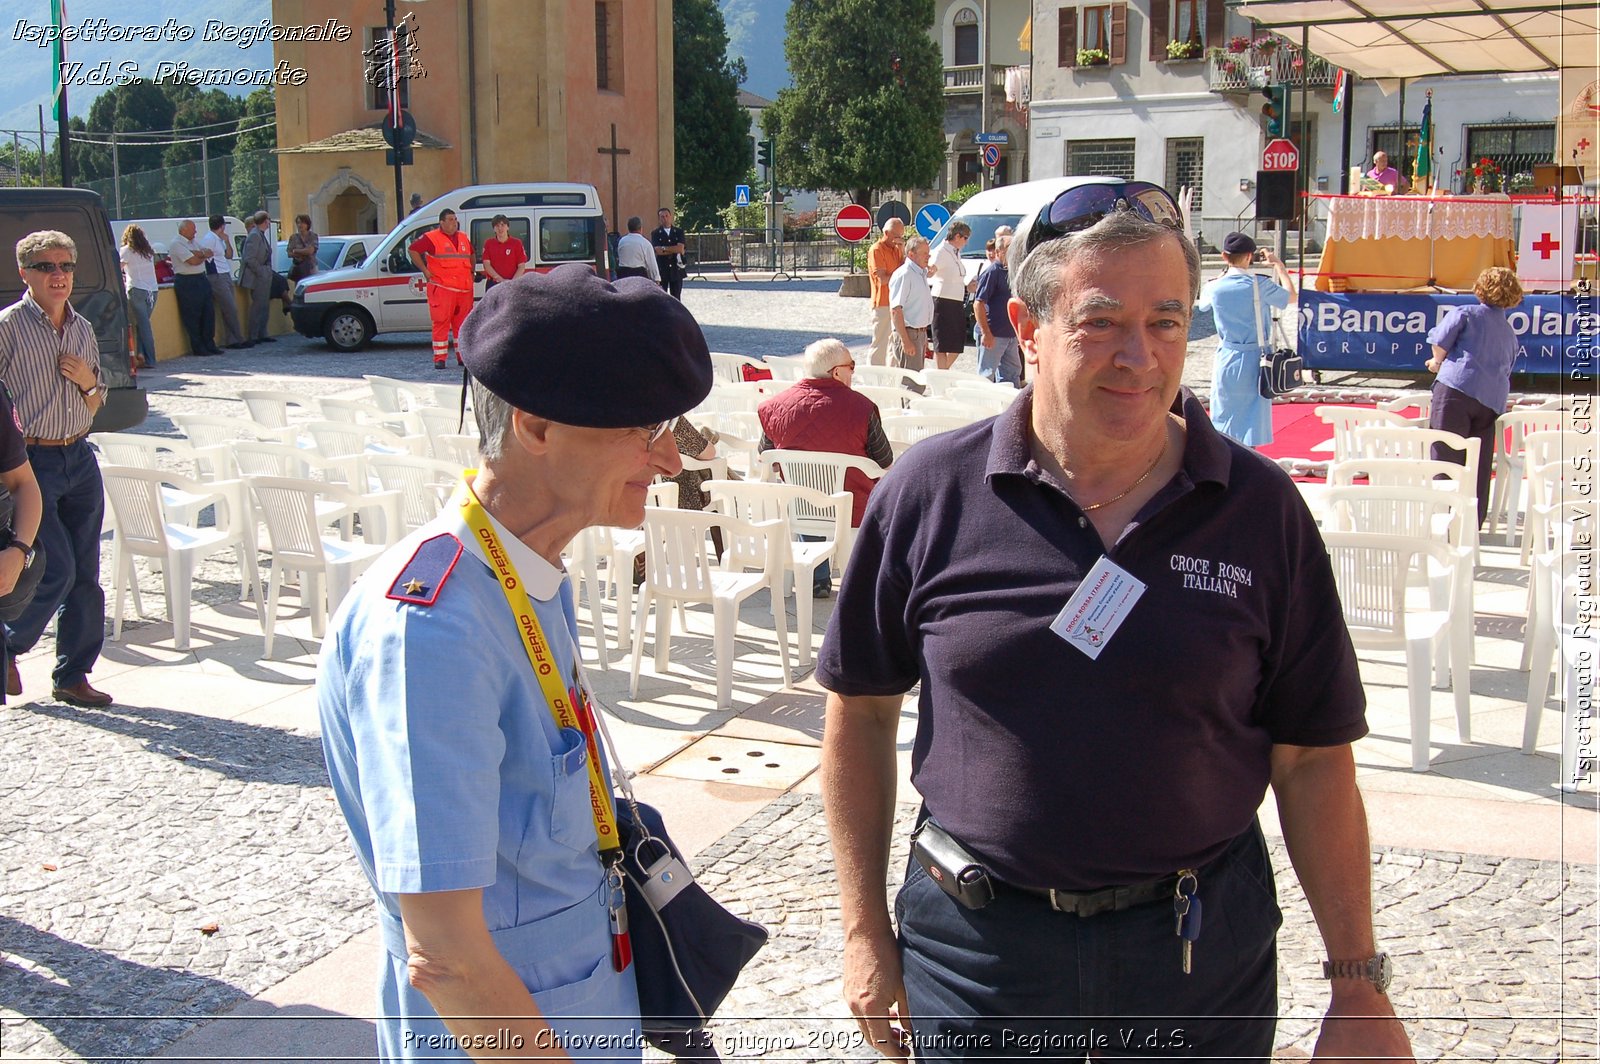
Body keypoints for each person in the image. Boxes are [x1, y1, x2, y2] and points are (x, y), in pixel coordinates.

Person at [817, 204, 1414, 1063]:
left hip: (1197, 951)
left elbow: (1313, 756)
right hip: (979, 956)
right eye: (1101, 322)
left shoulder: (1258, 509)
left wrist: (1358, 981)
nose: (1141, 356)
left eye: (1166, 321)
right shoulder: (930, 491)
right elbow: (861, 712)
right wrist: (863, 931)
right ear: (1025, 326)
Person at [318, 263, 714, 1062]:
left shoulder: (525, 571)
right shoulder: (432, 632)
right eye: (646, 430)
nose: (669, 462)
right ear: (535, 425)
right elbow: (450, 959)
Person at [0, 231, 113, 708]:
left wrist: (90, 383)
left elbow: (95, 404)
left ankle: (72, 674)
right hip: (31, 462)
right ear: (24, 273)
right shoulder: (8, 327)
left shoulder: (82, 329)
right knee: (56, 567)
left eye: (66, 266)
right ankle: (8, 645)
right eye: (47, 266)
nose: (59, 275)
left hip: (79, 456)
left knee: (86, 573)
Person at [757, 338, 893, 595]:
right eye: (851, 366)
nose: (853, 371)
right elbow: (884, 460)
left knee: (805, 492)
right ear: (837, 372)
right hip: (853, 507)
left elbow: (766, 455)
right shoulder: (862, 407)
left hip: (799, 508)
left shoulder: (775, 407)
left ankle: (818, 578)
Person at [1425, 265, 1524, 525]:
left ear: (1480, 288)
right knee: (1478, 465)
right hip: (1491, 401)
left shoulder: (1465, 313)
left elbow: (1440, 342)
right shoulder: (1510, 334)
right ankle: (1471, 523)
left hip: (1456, 390)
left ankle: (1443, 521)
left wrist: (1436, 363)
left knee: (1446, 457)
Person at [1194, 231, 1292, 448]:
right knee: (1252, 419)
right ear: (1249, 256)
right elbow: (1291, 296)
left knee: (1224, 414)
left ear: (1224, 256)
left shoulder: (1213, 286)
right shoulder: (1259, 285)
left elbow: (1202, 305)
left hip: (1227, 354)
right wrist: (1279, 266)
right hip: (1256, 357)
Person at [408, 208, 476, 369]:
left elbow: (472, 254)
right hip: (442, 289)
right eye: (451, 219)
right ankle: (440, 358)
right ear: (442, 222)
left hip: (464, 290)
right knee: (441, 323)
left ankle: (462, 357)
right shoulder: (431, 238)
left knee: (463, 325)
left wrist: (472, 272)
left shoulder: (463, 237)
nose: (454, 222)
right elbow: (413, 250)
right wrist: (425, 270)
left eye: (455, 219)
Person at [167, 220, 223, 357]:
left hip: (201, 278)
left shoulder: (194, 242)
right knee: (193, 315)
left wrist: (198, 253)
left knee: (208, 313)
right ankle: (198, 347)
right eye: (193, 229)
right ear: (184, 230)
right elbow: (193, 261)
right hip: (187, 281)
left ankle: (209, 344)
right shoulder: (176, 244)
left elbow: (209, 252)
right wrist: (200, 255)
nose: (196, 232)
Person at [973, 233, 1020, 386]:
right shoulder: (992, 272)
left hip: (1010, 335)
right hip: (993, 335)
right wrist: (986, 333)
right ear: (999, 252)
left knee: (1012, 375)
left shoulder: (1013, 271)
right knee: (986, 376)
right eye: (1009, 248)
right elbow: (978, 303)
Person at [927, 222, 972, 371]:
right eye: (965, 238)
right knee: (942, 345)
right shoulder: (941, 251)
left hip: (956, 302)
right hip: (943, 302)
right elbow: (932, 267)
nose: (967, 242)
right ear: (957, 236)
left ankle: (940, 374)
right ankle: (941, 375)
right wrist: (931, 269)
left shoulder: (955, 252)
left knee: (957, 344)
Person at [199, 216, 248, 350]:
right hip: (217, 276)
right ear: (222, 226)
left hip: (225, 273)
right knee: (230, 308)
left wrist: (227, 241)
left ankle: (232, 339)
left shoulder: (218, 239)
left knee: (229, 309)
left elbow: (229, 255)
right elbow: (206, 256)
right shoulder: (209, 239)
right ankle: (239, 338)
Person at [888, 235, 933, 371]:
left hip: (918, 334)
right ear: (911, 254)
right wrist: (905, 341)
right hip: (909, 334)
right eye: (924, 253)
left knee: (917, 382)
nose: (928, 257)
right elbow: (896, 309)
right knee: (911, 384)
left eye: (928, 254)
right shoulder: (905, 274)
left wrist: (924, 338)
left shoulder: (920, 273)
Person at [867, 218, 906, 367]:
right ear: (886, 233)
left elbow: (904, 272)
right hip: (882, 302)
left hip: (896, 303)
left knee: (895, 343)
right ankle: (873, 377)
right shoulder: (877, 249)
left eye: (901, 236)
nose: (899, 239)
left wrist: (902, 252)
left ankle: (891, 378)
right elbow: (882, 279)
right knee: (880, 343)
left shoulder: (896, 249)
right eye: (896, 235)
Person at [118, 225, 159, 368]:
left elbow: (118, 269)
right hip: (153, 291)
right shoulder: (148, 251)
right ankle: (141, 353)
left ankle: (151, 359)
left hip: (136, 289)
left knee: (144, 326)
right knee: (143, 323)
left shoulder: (127, 251)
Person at [240, 212, 277, 345]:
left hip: (264, 274)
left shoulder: (260, 235)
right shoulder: (254, 235)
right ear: (264, 221)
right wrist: (261, 271)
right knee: (258, 306)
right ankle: (254, 335)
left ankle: (262, 333)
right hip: (258, 276)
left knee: (264, 305)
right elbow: (249, 258)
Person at [480, 214, 528, 290]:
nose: (500, 228)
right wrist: (500, 280)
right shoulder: (488, 243)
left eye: (502, 225)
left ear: (507, 227)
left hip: (513, 283)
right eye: (497, 226)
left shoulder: (517, 243)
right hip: (494, 284)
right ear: (494, 229)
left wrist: (512, 282)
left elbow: (521, 266)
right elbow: (487, 265)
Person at [651, 207, 687, 300]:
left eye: (667, 216)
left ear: (671, 217)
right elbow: (658, 251)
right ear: (659, 219)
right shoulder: (656, 233)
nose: (665, 218)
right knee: (662, 298)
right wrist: (673, 249)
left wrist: (664, 248)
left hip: (676, 268)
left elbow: (680, 249)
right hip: (663, 269)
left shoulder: (678, 232)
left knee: (676, 298)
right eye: (662, 217)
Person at [614, 216, 660, 282]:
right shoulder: (645, 243)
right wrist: (656, 279)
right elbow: (651, 264)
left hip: (623, 275)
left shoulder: (621, 241)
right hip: (639, 275)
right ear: (641, 228)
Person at [286, 214, 320, 285]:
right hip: (298, 269)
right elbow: (289, 253)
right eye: (298, 223)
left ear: (307, 224)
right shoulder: (293, 237)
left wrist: (296, 250)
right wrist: (304, 251)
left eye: (302, 223)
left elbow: (310, 251)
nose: (300, 225)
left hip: (311, 267)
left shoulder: (313, 236)